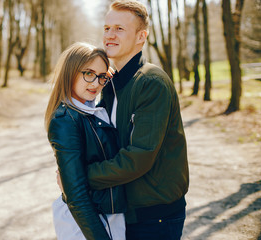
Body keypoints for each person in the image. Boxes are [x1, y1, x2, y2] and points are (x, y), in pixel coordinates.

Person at [86, 1, 190, 239]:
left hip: (154, 216)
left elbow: (138, 157)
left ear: (141, 37)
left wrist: (82, 175)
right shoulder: (112, 83)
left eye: (119, 29)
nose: (109, 35)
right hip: (125, 210)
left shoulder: (151, 82)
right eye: (107, 28)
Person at [45, 42, 127, 240]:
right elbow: (76, 194)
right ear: (71, 72)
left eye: (101, 77)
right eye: (88, 73)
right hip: (86, 224)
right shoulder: (65, 119)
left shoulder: (91, 110)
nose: (95, 84)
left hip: (108, 216)